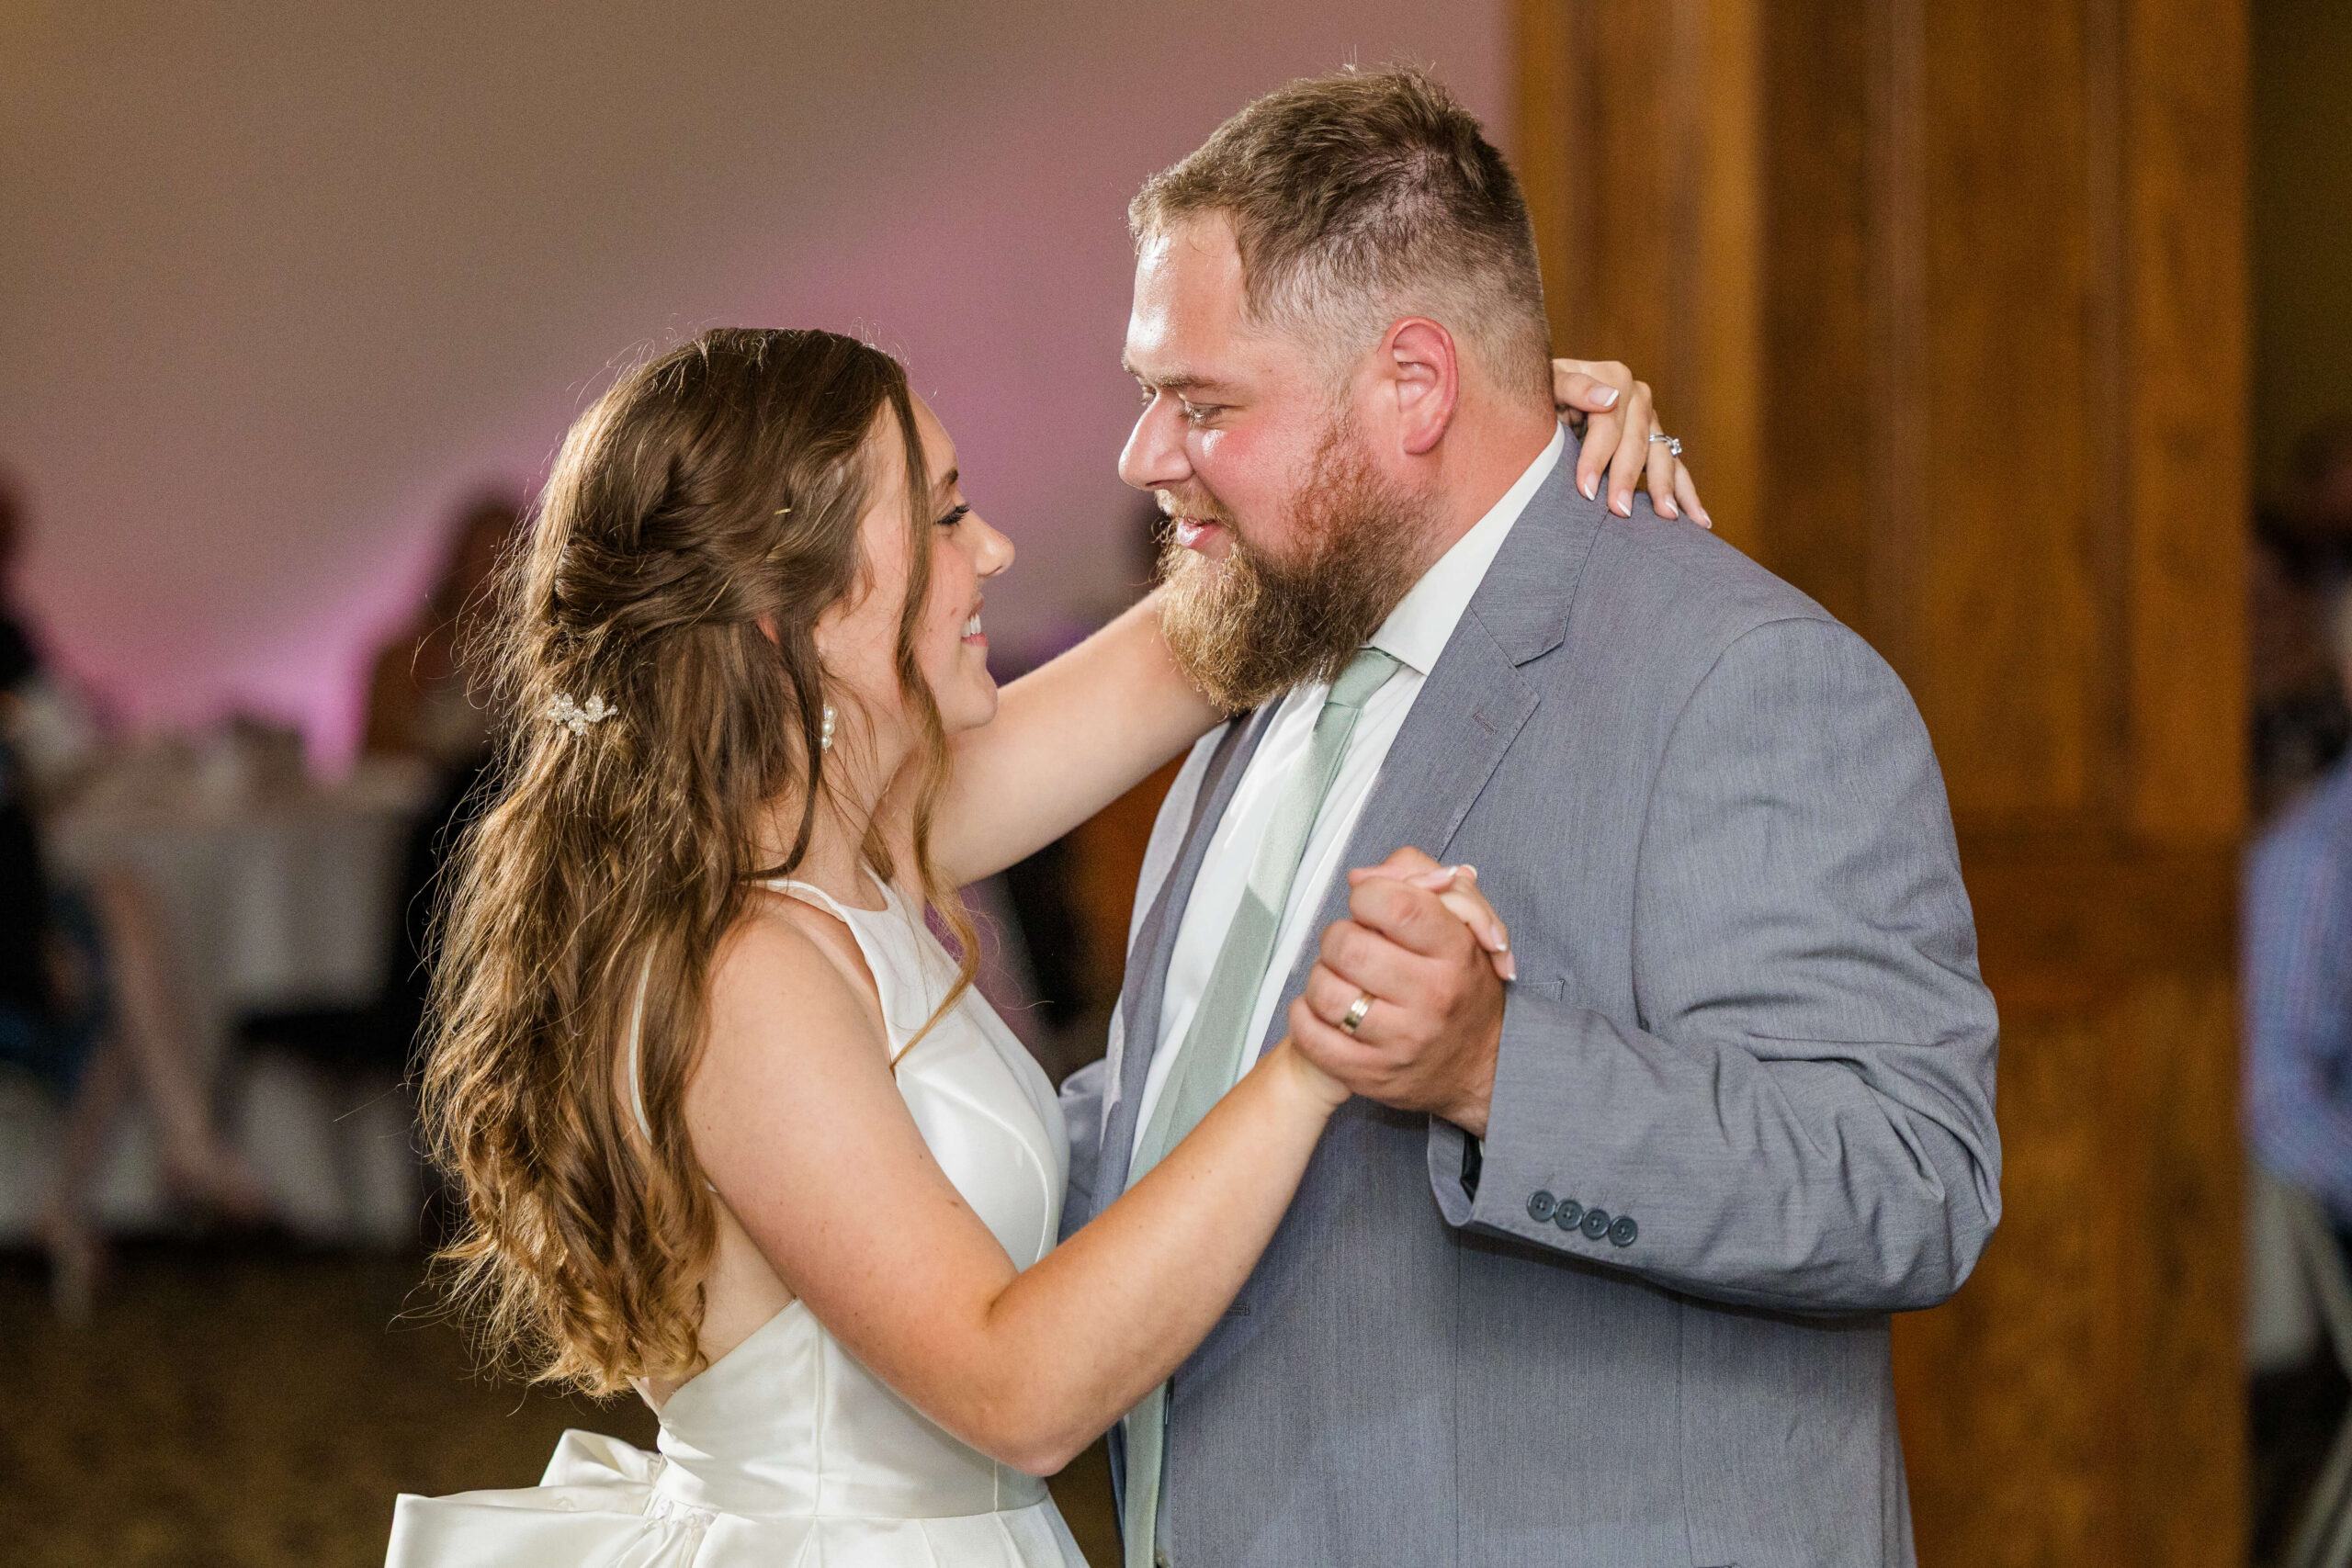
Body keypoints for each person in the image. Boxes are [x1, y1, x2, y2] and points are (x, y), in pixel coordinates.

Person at [387, 328, 1684, 1564]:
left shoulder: (859, 846)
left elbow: (1208, 637)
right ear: (801, 609)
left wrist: (1486, 457)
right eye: (946, 516)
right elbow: (1014, 1387)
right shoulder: (749, 972)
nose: (994, 549)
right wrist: (1316, 1056)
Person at [1059, 67, 2000, 1567]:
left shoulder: (1745, 680)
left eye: (1202, 402)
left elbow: (1911, 1177)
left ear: (1415, 385)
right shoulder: (1259, 663)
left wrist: (1502, 1067)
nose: (1145, 456)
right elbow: (1168, 1106)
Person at [0, 472, 268, 1318]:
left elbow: (61, 737)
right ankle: (170, 1151)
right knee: (121, 936)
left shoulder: (8, 636)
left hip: (19, 899)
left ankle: (84, 1197)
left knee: (125, 929)